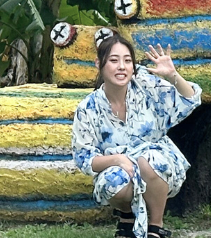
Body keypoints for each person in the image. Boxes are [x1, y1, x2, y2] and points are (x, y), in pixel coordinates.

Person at [71, 33, 202, 238]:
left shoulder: (146, 87)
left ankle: (156, 227)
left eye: (127, 60)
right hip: (120, 169)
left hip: (159, 165)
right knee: (113, 182)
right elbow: (84, 158)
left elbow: (189, 100)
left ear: (133, 66)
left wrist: (172, 75)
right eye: (114, 60)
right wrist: (117, 159)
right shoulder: (88, 108)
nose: (121, 67)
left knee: (146, 160)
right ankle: (127, 216)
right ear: (99, 63)